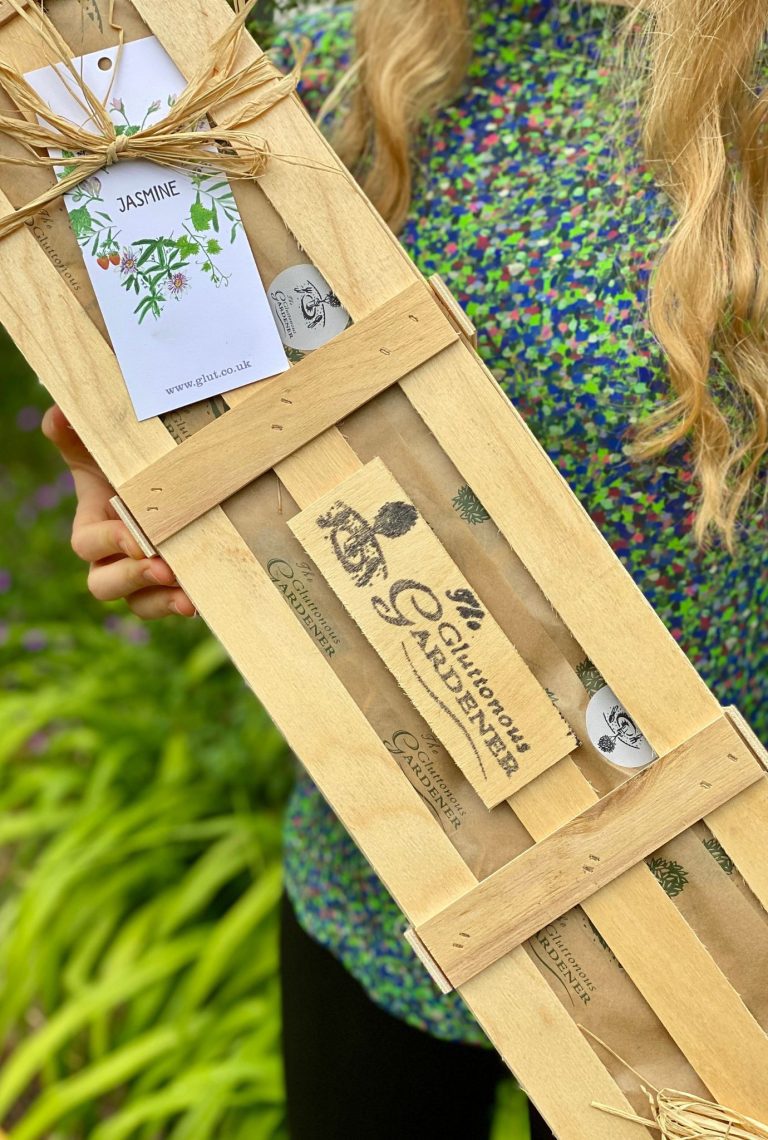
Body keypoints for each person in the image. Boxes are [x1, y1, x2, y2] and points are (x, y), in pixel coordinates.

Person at [42, 1, 768, 1136]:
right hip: (383, 884)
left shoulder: (746, 74)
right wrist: (167, 508)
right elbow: (231, 411)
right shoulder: (322, 53)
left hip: (705, 933)